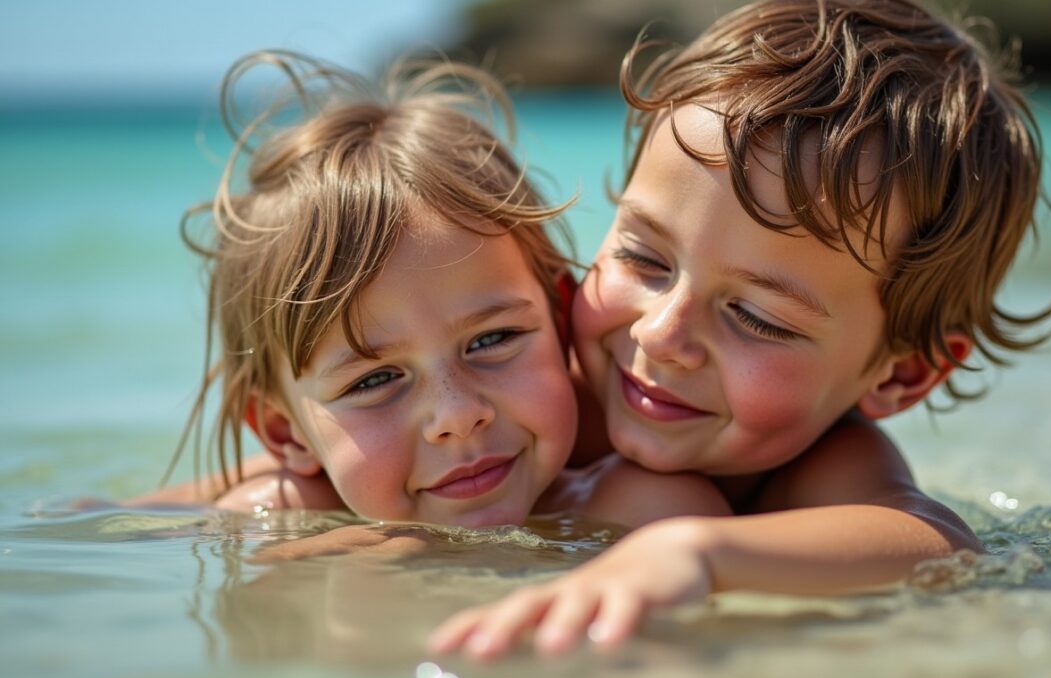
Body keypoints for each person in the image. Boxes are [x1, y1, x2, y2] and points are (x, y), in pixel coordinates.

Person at [426, 0, 1051, 658]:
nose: (662, 334)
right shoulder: (529, 385)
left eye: (756, 317)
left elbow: (941, 546)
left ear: (902, 372)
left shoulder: (822, 467)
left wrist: (700, 552)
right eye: (644, 259)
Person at [131, 50, 730, 530]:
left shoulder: (643, 515)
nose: (458, 415)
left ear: (561, 317)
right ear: (286, 433)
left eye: (492, 338)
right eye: (373, 380)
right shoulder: (280, 524)